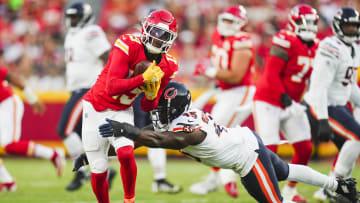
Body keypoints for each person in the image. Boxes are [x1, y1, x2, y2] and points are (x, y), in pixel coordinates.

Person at [96, 82, 359, 203]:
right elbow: (147, 137)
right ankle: (338, 185)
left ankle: (338, 187)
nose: (157, 113)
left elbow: (162, 139)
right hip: (246, 142)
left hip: (248, 158)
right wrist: (99, 153)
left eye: (162, 109)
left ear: (175, 109)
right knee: (285, 171)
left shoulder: (188, 129)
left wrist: (125, 129)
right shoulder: (178, 119)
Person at [81, 9, 178, 203]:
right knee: (99, 170)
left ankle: (129, 199)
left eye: (164, 35)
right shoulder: (127, 44)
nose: (158, 39)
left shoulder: (169, 66)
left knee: (125, 152)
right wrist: (142, 78)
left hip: (122, 110)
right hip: (95, 106)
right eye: (155, 32)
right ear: (145, 28)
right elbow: (111, 87)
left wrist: (151, 94)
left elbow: (148, 106)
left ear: (171, 39)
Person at [252, 4, 319, 202]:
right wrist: (286, 99)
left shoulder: (316, 45)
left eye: (312, 23)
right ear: (293, 22)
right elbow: (271, 74)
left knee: (305, 148)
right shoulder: (285, 39)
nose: (308, 26)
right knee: (270, 150)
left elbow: (314, 78)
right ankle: (272, 194)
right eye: (303, 22)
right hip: (269, 100)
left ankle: (290, 190)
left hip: (292, 102)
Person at [192, 5, 256, 197]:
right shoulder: (217, 35)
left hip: (240, 92)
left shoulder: (242, 41)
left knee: (217, 136)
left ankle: (222, 178)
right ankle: (219, 178)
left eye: (231, 21)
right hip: (225, 92)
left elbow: (236, 76)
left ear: (241, 23)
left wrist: (210, 71)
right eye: (225, 20)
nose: (227, 25)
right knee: (215, 135)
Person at [303, 7, 360, 202]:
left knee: (350, 148)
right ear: (338, 27)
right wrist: (323, 119)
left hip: (338, 105)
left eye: (355, 26)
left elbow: (350, 86)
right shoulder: (331, 46)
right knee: (357, 137)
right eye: (348, 26)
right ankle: (332, 188)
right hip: (322, 105)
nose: (352, 30)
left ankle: (330, 189)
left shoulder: (353, 48)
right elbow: (319, 86)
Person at [60, 2, 116, 191]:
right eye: (71, 17)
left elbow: (107, 57)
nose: (72, 20)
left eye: (75, 16)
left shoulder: (92, 31)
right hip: (77, 89)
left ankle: (85, 172)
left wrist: (107, 84)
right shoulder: (72, 34)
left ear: (84, 17)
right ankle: (101, 171)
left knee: (64, 130)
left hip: (88, 89)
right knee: (79, 135)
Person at [0, 66, 65, 191]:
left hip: (7, 103)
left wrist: (32, 99)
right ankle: (8, 183)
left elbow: (13, 79)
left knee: (9, 145)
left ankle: (54, 154)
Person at [133, 94, 182, 193]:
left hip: (147, 96)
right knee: (131, 138)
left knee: (156, 136)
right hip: (132, 97)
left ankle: (160, 180)